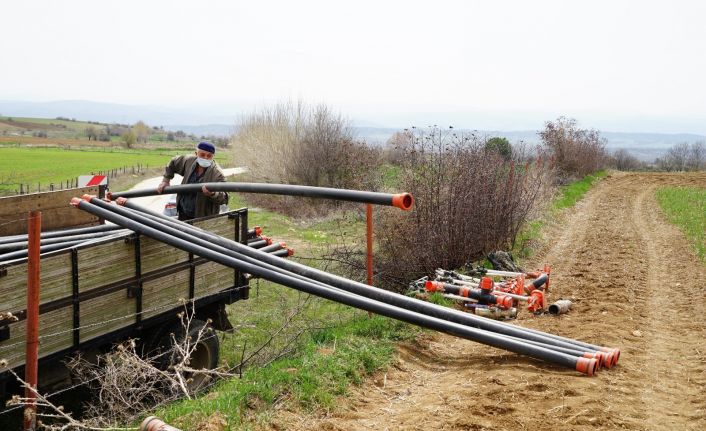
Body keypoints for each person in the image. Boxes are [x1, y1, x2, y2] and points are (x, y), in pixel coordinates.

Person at [157, 141, 228, 220]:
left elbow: (225, 197)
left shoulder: (217, 173)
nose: (205, 158)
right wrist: (166, 180)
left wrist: (213, 194)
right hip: (183, 213)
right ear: (196, 153)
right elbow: (173, 162)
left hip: (203, 218)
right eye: (202, 155)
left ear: (213, 157)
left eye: (209, 156)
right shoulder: (188, 161)